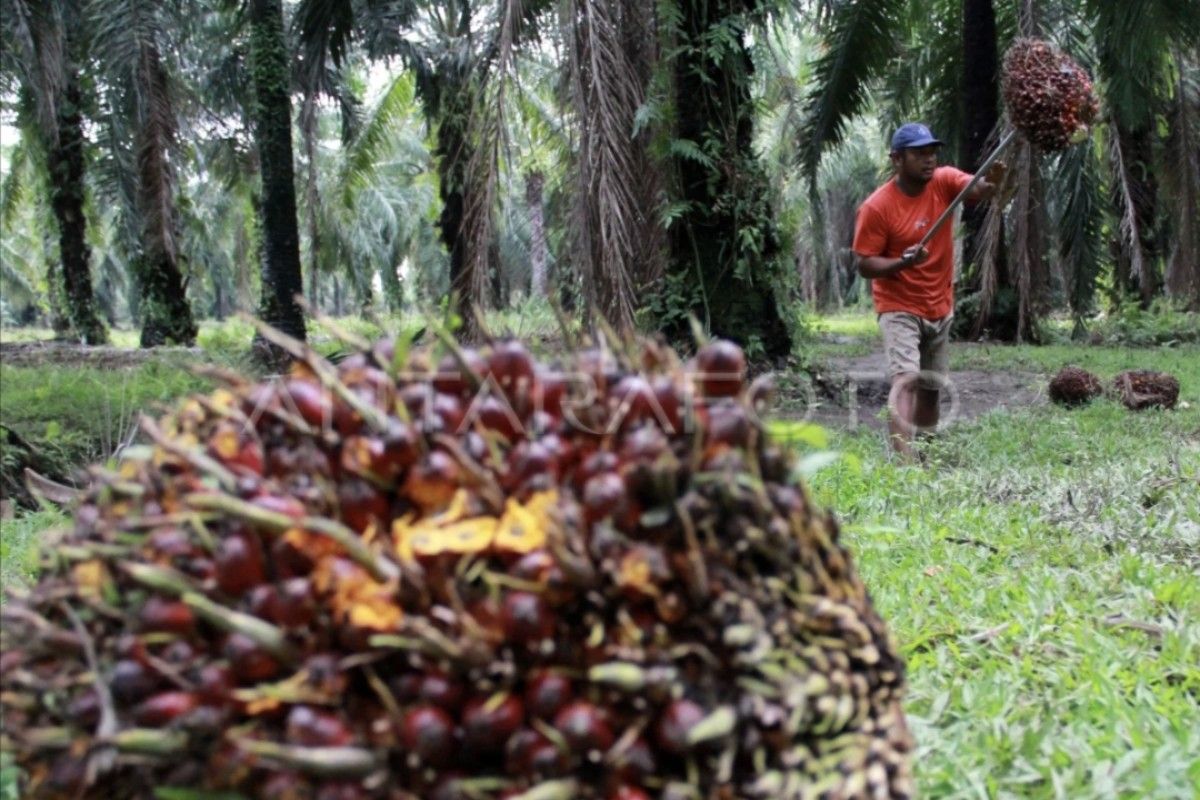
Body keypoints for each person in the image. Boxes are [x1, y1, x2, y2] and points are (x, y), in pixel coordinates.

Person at [852, 123, 1005, 461]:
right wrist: (899, 264)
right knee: (906, 379)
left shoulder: (945, 180)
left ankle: (928, 451)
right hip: (898, 305)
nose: (929, 159)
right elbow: (864, 264)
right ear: (897, 159)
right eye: (919, 153)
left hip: (938, 303)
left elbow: (978, 188)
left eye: (932, 151)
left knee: (931, 386)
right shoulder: (877, 207)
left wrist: (993, 183)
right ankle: (906, 464)